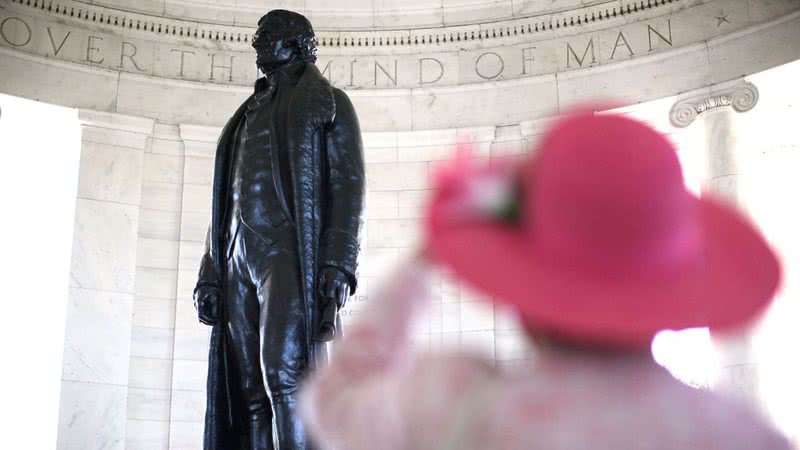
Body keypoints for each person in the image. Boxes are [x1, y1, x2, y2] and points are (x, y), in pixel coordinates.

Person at [300, 111, 791, 449]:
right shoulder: (743, 436)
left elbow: (334, 399)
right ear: (676, 289)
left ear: (525, 289)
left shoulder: (447, 400)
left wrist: (422, 266)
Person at [193, 10, 365, 450]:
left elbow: (348, 186)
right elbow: (222, 202)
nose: (256, 43)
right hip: (235, 252)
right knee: (248, 388)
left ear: (297, 42)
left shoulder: (327, 103)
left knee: (286, 376)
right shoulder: (243, 118)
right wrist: (209, 271)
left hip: (287, 250)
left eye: (266, 35)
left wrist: (338, 265)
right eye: (257, 36)